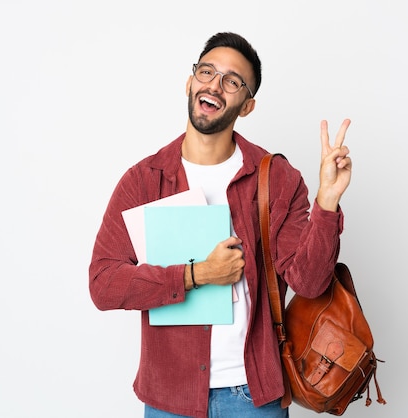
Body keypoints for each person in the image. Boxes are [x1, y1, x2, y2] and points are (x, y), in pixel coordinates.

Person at [89, 32, 352, 418]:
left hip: (252, 396)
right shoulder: (144, 180)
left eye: (232, 80)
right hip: (170, 397)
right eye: (207, 71)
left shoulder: (276, 178)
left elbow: (309, 283)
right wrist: (197, 274)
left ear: (247, 106)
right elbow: (103, 284)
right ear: (190, 82)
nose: (214, 84)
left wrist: (327, 202)